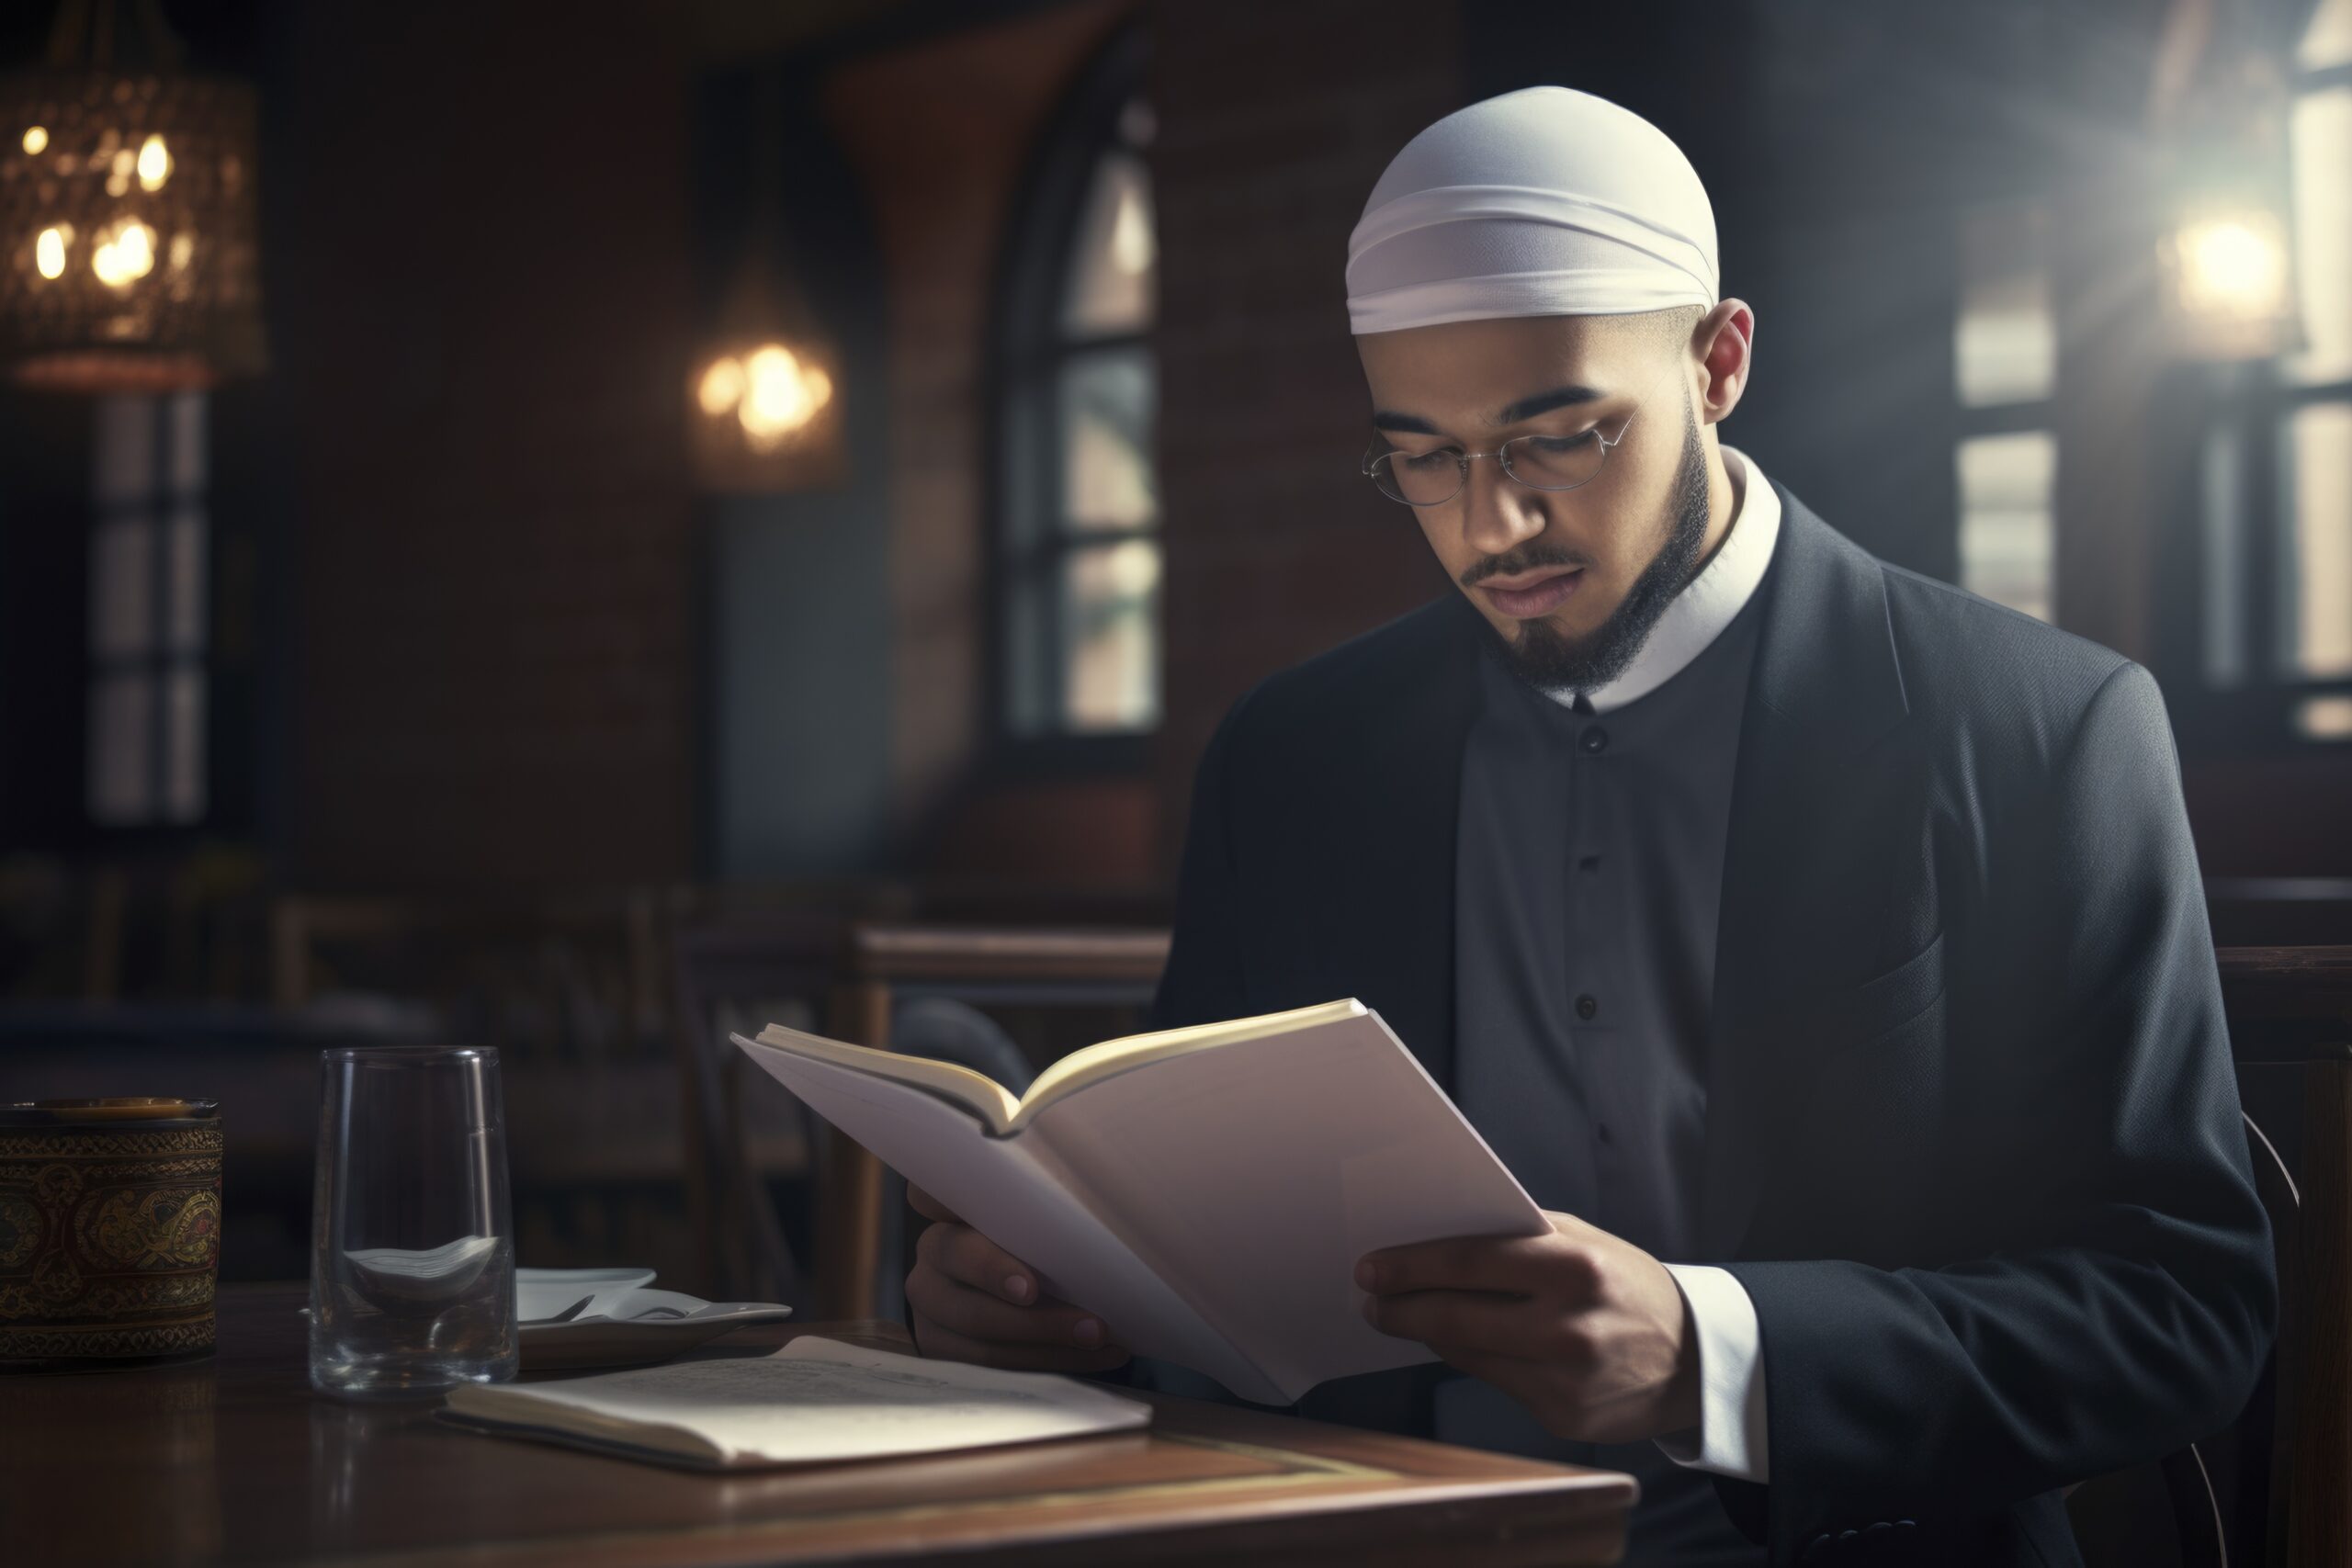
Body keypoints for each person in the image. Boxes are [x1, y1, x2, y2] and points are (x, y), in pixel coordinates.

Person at [901, 85, 2275, 1566]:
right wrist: (1065, 1316)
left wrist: (1715, 1354)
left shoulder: (2041, 732)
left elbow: (2178, 1310)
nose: (1489, 525)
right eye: (1422, 456)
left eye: (1557, 437)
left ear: (1719, 360)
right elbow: (1203, 1282)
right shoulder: (1290, 760)